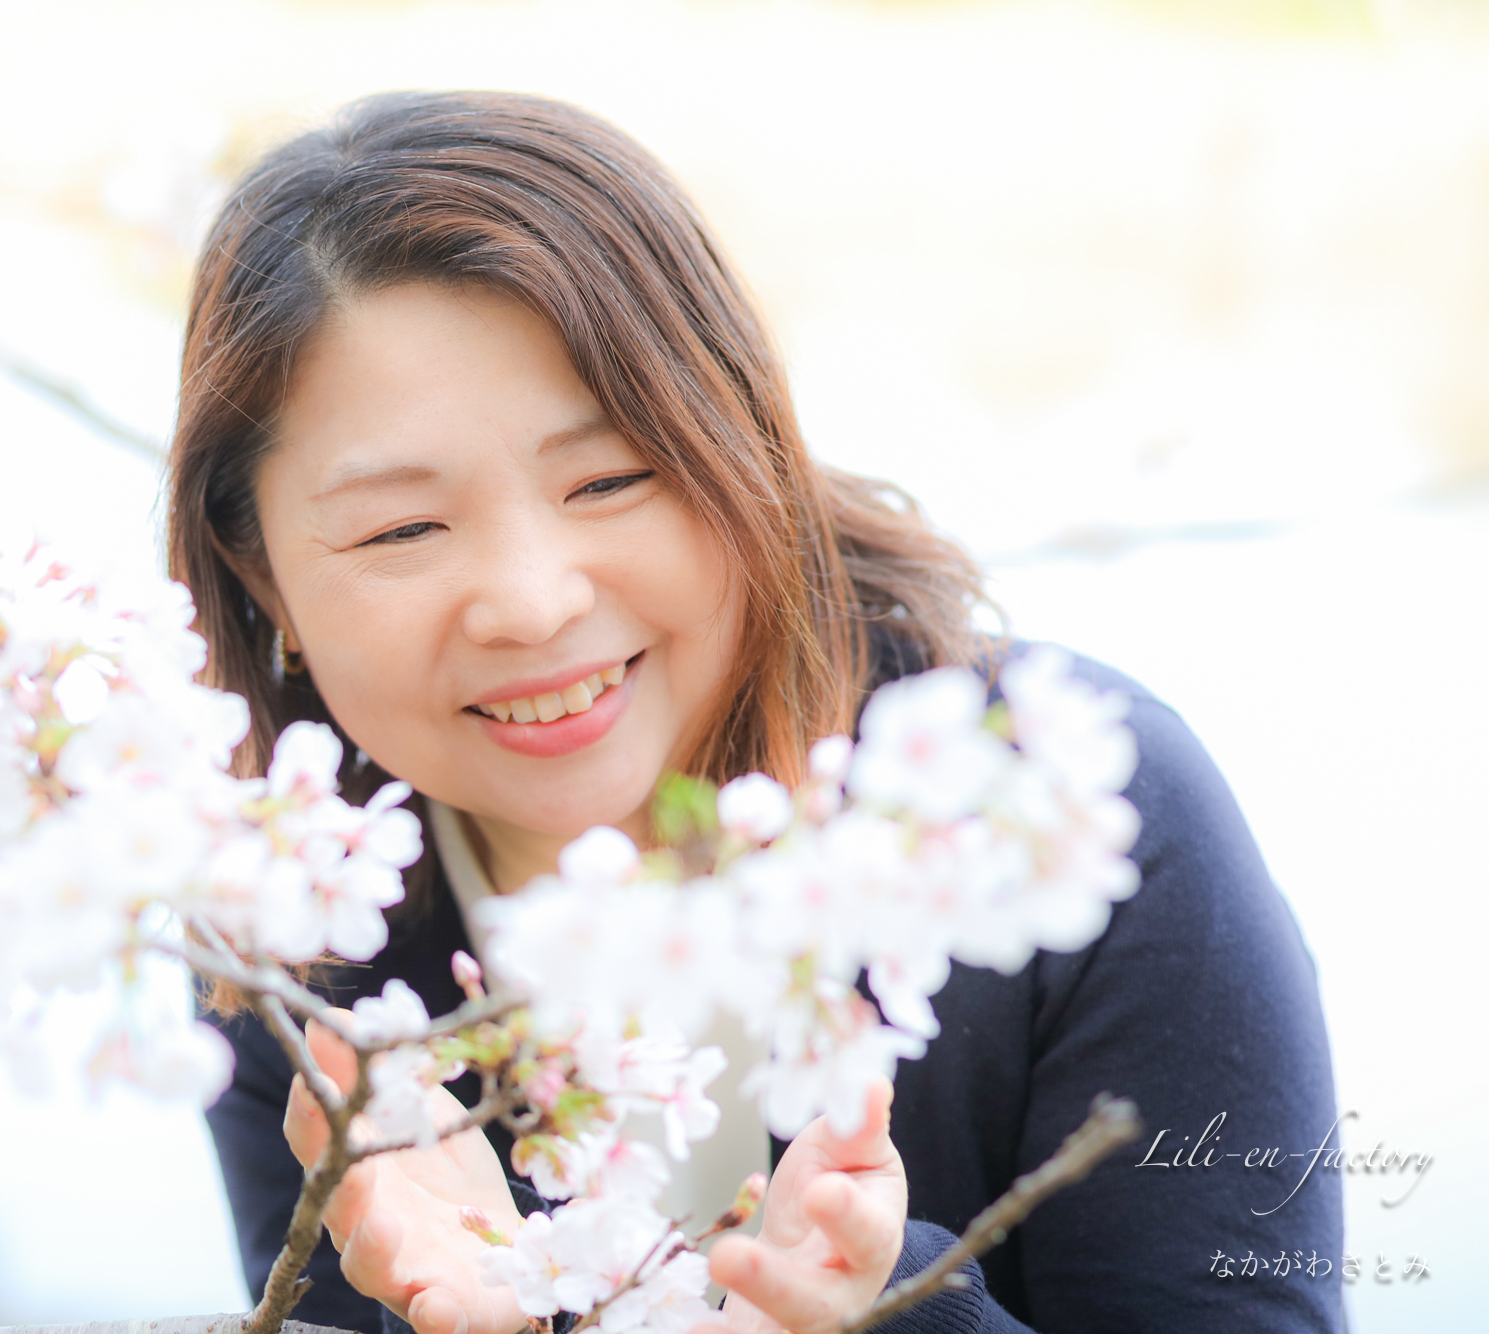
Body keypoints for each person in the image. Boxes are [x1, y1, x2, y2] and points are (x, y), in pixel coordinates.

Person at [168, 91, 1342, 1334]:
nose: (528, 600)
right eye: (402, 526)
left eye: (609, 477)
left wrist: (884, 1316)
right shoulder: (288, 922)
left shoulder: (1058, 808)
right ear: (259, 572)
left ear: (742, 449)